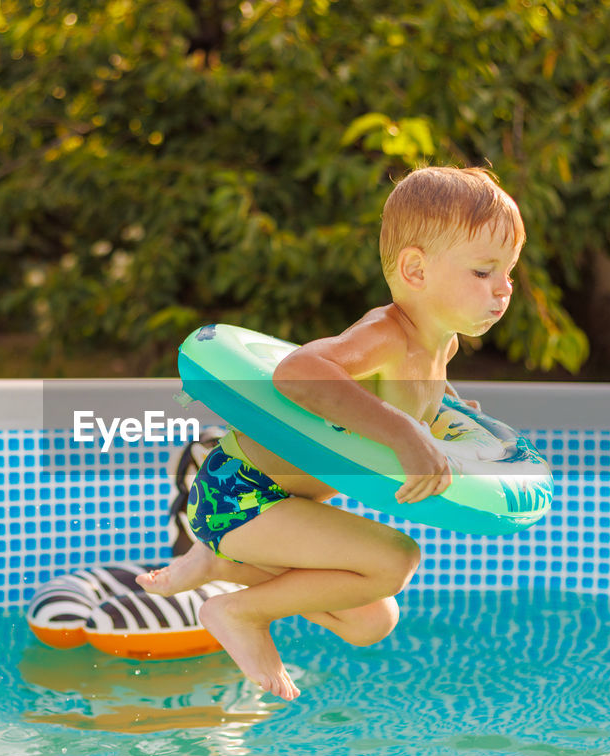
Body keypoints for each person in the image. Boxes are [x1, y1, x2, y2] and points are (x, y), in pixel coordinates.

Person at [139, 166, 525, 701]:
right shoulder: (386, 336)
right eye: (484, 272)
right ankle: (235, 611)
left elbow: (419, 398)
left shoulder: (443, 346)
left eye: (509, 272)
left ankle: (220, 563)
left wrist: (452, 415)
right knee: (397, 558)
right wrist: (402, 433)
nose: (503, 289)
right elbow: (298, 373)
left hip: (277, 510)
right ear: (415, 269)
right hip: (240, 492)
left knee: (373, 619)